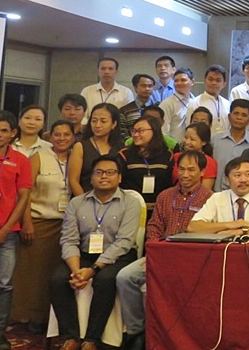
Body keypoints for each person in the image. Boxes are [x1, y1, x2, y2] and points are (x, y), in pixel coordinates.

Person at [115, 150, 213, 350]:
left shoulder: (211, 199)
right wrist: (153, 251)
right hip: (160, 254)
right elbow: (154, 227)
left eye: (191, 170)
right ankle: (136, 332)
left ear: (202, 171)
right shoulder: (165, 195)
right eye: (182, 169)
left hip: (190, 260)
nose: (185, 174)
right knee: (124, 277)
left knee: (157, 288)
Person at [50, 154, 138, 350]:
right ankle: (70, 336)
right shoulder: (77, 203)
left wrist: (93, 270)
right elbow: (69, 239)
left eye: (110, 172)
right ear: (91, 178)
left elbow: (124, 242)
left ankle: (92, 339)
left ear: (120, 177)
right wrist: (75, 270)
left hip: (118, 257)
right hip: (84, 255)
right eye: (99, 172)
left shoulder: (130, 203)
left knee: (105, 279)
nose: (104, 176)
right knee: (57, 279)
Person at [13, 120, 73, 331]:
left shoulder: (77, 157)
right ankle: (33, 317)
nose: (62, 138)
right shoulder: (39, 157)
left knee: (57, 274)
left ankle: (53, 320)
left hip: (67, 225)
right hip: (40, 222)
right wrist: (26, 221)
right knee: (35, 274)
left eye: (66, 134)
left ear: (73, 137)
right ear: (50, 136)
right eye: (57, 134)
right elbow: (25, 191)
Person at [0, 111, 32, 350]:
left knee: (4, 285)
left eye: (4, 130)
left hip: (8, 233)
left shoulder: (21, 160)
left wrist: (6, 229)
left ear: (13, 133)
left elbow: (23, 198)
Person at [189, 157, 249, 236]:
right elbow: (193, 227)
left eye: (248, 174)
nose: (243, 180)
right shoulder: (217, 198)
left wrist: (242, 231)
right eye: (237, 175)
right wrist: (230, 225)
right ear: (227, 180)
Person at [68, 103, 124, 196]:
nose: (97, 125)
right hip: (85, 199)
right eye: (94, 121)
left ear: (114, 124)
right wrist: (85, 202)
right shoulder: (80, 146)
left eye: (103, 121)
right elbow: (73, 180)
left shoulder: (120, 148)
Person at [118, 116, 174, 204]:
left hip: (158, 207)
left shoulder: (167, 156)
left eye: (140, 131)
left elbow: (169, 185)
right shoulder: (124, 155)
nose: (135, 135)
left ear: (154, 131)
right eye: (134, 131)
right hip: (131, 207)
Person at [211, 99, 249, 192]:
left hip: (245, 193)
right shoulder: (215, 140)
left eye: (244, 115)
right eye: (236, 113)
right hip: (217, 193)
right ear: (229, 116)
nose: (239, 117)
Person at [80, 58, 134, 125]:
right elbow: (82, 115)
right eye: (103, 68)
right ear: (98, 71)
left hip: (117, 130)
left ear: (116, 71)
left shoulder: (126, 92)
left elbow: (129, 116)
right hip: (91, 129)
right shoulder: (87, 91)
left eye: (110, 69)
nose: (106, 72)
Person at [173, 122, 217, 190]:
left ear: (204, 142)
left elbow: (205, 192)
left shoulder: (209, 162)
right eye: (186, 137)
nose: (187, 142)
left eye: (192, 139)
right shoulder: (176, 157)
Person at [159, 68, 197, 142]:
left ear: (192, 82)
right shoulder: (167, 104)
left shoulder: (196, 101)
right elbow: (163, 132)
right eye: (176, 81)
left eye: (183, 80)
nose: (179, 83)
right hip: (175, 148)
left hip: (193, 147)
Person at [194, 65, 231, 134]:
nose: (214, 83)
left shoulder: (227, 104)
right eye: (210, 79)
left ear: (224, 84)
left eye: (218, 80)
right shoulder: (195, 103)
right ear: (205, 81)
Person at [118, 74, 155, 141]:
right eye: (143, 86)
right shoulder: (124, 110)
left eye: (150, 86)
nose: (147, 89)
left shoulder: (158, 108)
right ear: (135, 88)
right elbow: (122, 133)